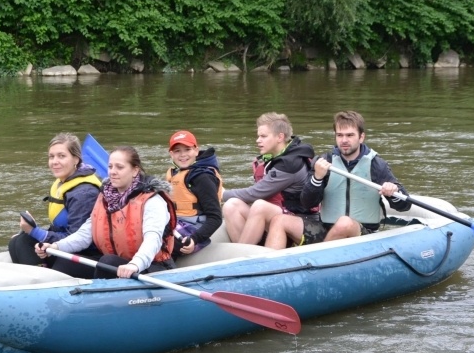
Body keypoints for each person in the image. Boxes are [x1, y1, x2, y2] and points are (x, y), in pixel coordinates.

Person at [264, 110, 411, 249]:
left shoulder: (376, 165)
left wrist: (392, 192)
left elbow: (405, 206)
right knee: (279, 220)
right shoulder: (325, 161)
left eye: (350, 135)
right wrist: (317, 178)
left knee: (344, 223)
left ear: (361, 137)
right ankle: (268, 265)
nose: (344, 140)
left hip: (362, 233)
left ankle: (320, 259)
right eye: (340, 135)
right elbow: (307, 203)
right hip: (326, 228)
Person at [37, 146, 177, 279]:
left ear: (135, 171)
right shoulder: (105, 198)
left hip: (150, 267)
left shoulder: (152, 200)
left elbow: (153, 240)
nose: (112, 172)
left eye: (119, 167)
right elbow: (84, 235)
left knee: (108, 261)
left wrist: (135, 264)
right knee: (65, 262)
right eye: (110, 167)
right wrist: (56, 246)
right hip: (116, 264)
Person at [8, 133, 101, 278]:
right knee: (18, 242)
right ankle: (33, 278)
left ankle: (41, 282)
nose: (54, 162)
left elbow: (77, 239)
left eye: (61, 156)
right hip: (64, 246)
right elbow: (59, 228)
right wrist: (29, 233)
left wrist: (34, 232)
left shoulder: (84, 193)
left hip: (87, 254)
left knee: (28, 241)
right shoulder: (62, 182)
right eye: (51, 157)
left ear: (76, 159)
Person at [221, 112, 317, 244]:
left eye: (263, 136)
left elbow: (254, 193)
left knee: (259, 206)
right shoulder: (274, 157)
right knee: (231, 206)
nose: (258, 140)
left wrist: (222, 194)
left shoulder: (290, 164)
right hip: (279, 212)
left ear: (280, 137)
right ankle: (246, 247)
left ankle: (244, 253)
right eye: (258, 136)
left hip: (299, 220)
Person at [165, 130, 223, 257]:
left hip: (195, 230)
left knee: (163, 241)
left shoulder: (202, 178)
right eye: (177, 151)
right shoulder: (175, 174)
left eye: (187, 149)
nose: (183, 155)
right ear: (171, 154)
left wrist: (195, 239)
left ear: (196, 151)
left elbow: (215, 218)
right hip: (177, 222)